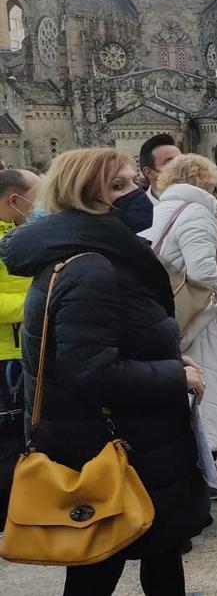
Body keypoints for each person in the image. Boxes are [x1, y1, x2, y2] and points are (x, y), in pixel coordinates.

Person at [0, 148, 209, 594]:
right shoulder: (89, 267)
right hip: (110, 443)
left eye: (134, 181)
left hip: (138, 439)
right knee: (99, 558)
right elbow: (90, 371)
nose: (136, 193)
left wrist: (170, 362)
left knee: (159, 549)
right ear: (84, 196)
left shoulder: (104, 254)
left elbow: (120, 336)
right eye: (119, 186)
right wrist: (175, 377)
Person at [140, 154, 217, 501]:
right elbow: (203, 271)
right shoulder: (196, 213)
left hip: (176, 314)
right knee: (204, 392)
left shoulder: (166, 208)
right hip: (196, 316)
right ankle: (201, 475)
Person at [0, 168, 38, 524]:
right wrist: (37, 302)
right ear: (14, 200)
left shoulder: (15, 235)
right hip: (4, 357)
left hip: (19, 351)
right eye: (35, 197)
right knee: (7, 442)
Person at [138, 133, 182, 204]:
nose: (180, 167)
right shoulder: (137, 209)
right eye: (170, 162)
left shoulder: (199, 203)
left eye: (181, 161)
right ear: (149, 172)